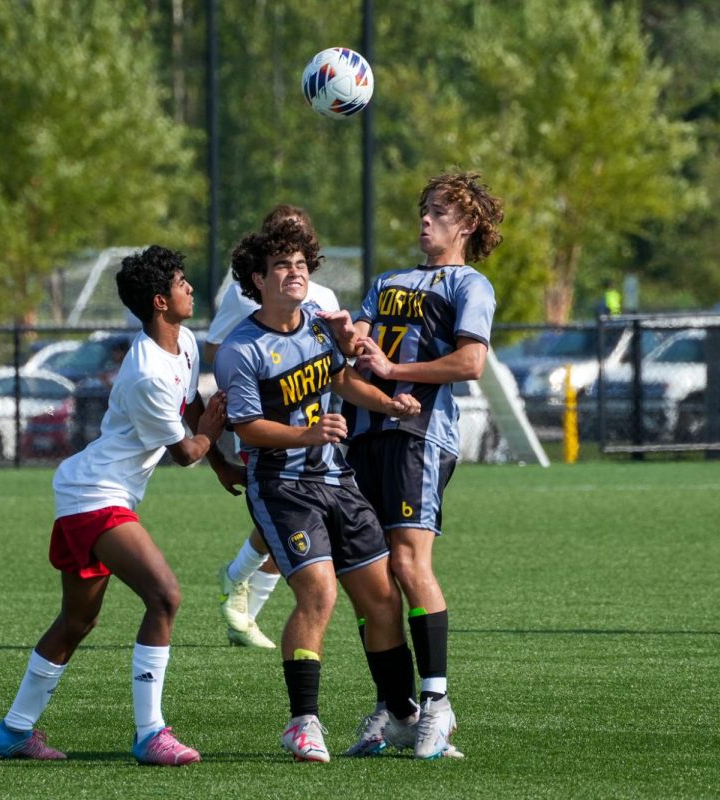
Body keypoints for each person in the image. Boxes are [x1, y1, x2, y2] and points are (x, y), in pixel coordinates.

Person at [0, 246, 243, 765]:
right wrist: (212, 441)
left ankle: (12, 731)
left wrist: (222, 464)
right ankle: (151, 734)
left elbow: (188, 404)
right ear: (159, 302)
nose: (189, 287)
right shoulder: (145, 370)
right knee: (165, 596)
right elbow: (185, 451)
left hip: (97, 491)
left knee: (78, 622)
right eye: (180, 282)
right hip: (95, 495)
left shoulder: (185, 342)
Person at [214, 220, 423, 762]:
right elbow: (247, 427)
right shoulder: (241, 349)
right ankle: (302, 722)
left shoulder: (318, 326)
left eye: (301, 265)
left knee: (382, 598)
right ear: (256, 279)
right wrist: (308, 433)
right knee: (320, 594)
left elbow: (340, 380)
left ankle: (402, 715)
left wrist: (388, 402)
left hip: (339, 480)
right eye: (282, 266)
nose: (295, 273)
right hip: (283, 487)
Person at [318, 171, 504, 759]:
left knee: (405, 560)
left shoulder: (471, 285)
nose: (425, 219)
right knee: (370, 579)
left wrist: (395, 372)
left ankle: (438, 706)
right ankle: (396, 709)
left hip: (419, 436)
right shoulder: (388, 280)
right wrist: (348, 337)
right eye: (424, 209)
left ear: (467, 225)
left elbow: (471, 361)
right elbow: (360, 349)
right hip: (366, 434)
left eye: (440, 212)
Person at [208, 205, 340, 651]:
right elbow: (218, 347)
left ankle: (241, 603)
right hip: (270, 429)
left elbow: (337, 360)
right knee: (281, 518)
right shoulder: (245, 293)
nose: (292, 261)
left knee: (289, 529)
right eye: (281, 245)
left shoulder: (322, 296)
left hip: (321, 439)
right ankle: (239, 593)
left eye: (300, 243)